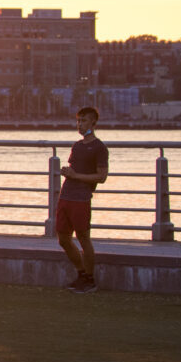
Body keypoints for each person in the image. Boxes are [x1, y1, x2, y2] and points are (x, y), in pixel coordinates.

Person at [58, 106, 109, 294]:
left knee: (83, 237)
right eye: (78, 121)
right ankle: (81, 274)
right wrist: (68, 173)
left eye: (84, 121)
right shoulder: (77, 146)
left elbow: (101, 177)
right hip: (66, 195)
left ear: (94, 123)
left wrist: (76, 175)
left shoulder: (99, 148)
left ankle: (90, 279)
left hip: (81, 197)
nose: (80, 124)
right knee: (63, 238)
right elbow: (74, 170)